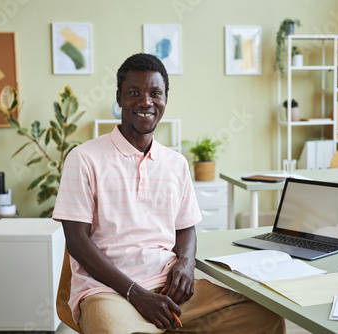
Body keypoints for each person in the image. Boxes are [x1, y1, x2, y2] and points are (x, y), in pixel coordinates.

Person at [52, 53, 285, 334]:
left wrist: (186, 264)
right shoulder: (84, 158)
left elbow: (186, 229)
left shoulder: (176, 163)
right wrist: (135, 294)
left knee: (265, 319)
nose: (146, 102)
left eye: (155, 93)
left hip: (172, 291)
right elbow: (76, 241)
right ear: (119, 97)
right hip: (109, 292)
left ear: (165, 99)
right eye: (134, 93)